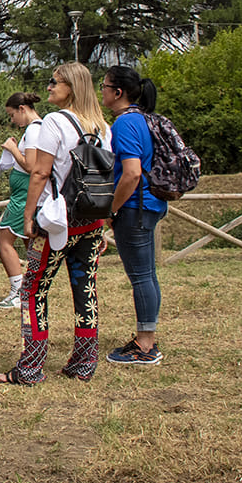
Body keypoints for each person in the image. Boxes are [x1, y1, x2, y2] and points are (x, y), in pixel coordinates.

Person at [0, 62, 110, 385]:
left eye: (54, 82)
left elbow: (40, 172)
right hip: (89, 220)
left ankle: (31, 366)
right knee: (85, 289)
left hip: (56, 221)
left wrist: (29, 215)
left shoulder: (55, 123)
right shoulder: (101, 126)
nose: (48, 87)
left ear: (70, 87)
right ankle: (84, 362)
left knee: (33, 290)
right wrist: (104, 222)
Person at [102, 65, 167, 366]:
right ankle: (147, 336)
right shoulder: (143, 119)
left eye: (104, 86)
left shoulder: (124, 124)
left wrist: (111, 209)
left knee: (140, 277)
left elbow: (131, 173)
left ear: (118, 93)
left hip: (134, 208)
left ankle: (145, 345)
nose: (101, 91)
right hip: (150, 204)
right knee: (148, 274)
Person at [0, 92, 40, 310]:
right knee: (31, 243)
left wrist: (12, 149)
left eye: (12, 115)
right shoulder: (34, 130)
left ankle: (18, 290)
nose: (12, 121)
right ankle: (32, 289)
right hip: (24, 192)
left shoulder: (34, 130)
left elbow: (31, 165)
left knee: (3, 239)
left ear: (22, 109)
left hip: (24, 195)